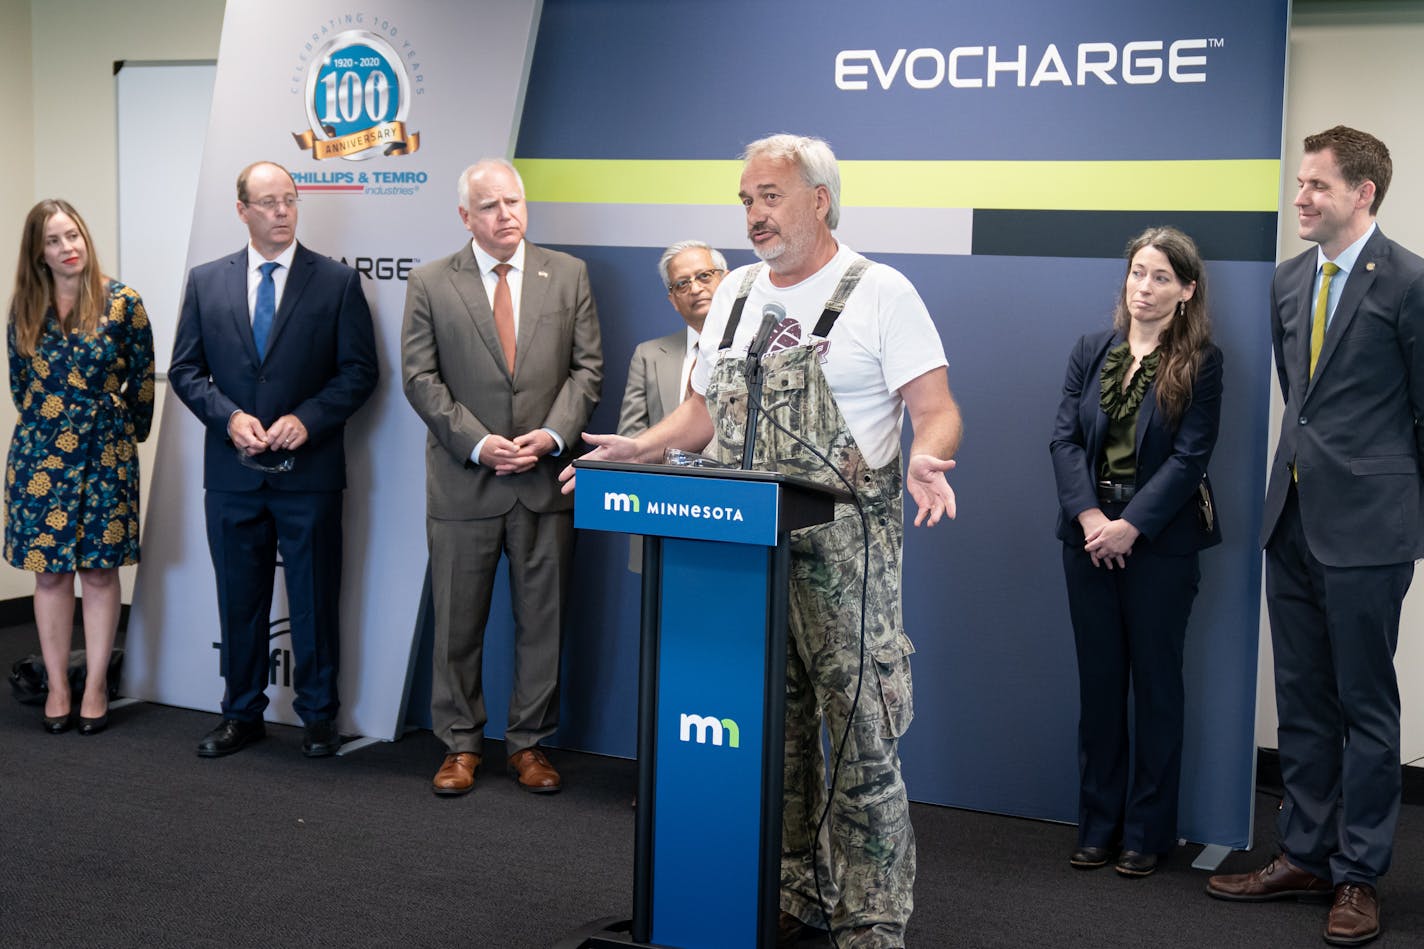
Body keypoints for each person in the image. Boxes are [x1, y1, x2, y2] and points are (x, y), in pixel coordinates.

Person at [563, 134, 961, 949]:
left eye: (769, 196)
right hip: (744, 561)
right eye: (746, 199)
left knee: (859, 739)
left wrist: (928, 456)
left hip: (847, 561)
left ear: (819, 199)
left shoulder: (881, 291)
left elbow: (937, 404)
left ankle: (872, 920)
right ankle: (796, 894)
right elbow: (702, 416)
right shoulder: (737, 294)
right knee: (770, 740)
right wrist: (641, 447)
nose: (753, 214)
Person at [1207, 126, 1424, 946]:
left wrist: (1409, 514)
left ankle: (1358, 873)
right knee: (1301, 696)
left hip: (1371, 528)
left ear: (1363, 193)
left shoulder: (1409, 282)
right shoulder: (1289, 278)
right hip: (1289, 516)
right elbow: (1300, 394)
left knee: (1365, 703)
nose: (1300, 198)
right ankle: (1304, 851)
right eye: (1299, 184)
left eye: (1317, 186)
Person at [401, 158, 602, 797]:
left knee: (543, 622)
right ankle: (460, 745)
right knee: (458, 623)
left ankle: (529, 744)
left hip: (545, 482)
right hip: (467, 483)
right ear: (466, 216)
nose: (506, 215)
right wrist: (480, 443)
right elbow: (420, 378)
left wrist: (551, 437)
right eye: (489, 206)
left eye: (513, 202)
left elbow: (587, 370)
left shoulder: (568, 275)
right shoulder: (431, 282)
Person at [169, 160, 378, 759]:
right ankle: (241, 714)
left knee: (314, 596)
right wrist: (228, 417)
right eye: (268, 202)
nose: (282, 210)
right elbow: (185, 369)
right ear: (242, 211)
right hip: (232, 474)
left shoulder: (336, 282)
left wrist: (306, 419)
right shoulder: (207, 281)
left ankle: (318, 716)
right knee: (239, 597)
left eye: (289, 199)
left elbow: (360, 371)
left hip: (309, 474)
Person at [1049, 226, 1223, 878]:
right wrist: (1093, 516)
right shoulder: (1091, 350)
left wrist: (1132, 526)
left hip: (1160, 546)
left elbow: (1189, 458)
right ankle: (1098, 825)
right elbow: (1064, 442)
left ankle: (1147, 832)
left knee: (1155, 689)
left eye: (1159, 277)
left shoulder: (1203, 362)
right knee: (1099, 691)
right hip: (1087, 539)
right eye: (1136, 273)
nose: (1143, 287)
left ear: (1186, 290)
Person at [5, 199, 154, 736]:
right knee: (49, 574)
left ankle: (94, 685)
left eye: (74, 236)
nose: (68, 248)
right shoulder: (23, 307)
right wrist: (51, 426)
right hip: (40, 454)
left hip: (104, 454)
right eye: (54, 241)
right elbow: (22, 388)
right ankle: (58, 686)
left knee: (97, 571)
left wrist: (124, 434)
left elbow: (141, 382)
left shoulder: (123, 303)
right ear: (38, 253)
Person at [616, 239, 726, 572]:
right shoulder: (648, 355)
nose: (695, 288)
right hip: (661, 516)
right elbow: (632, 437)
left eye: (705, 276)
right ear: (673, 300)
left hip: (729, 516)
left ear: (727, 280)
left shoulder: (755, 352)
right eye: (682, 283)